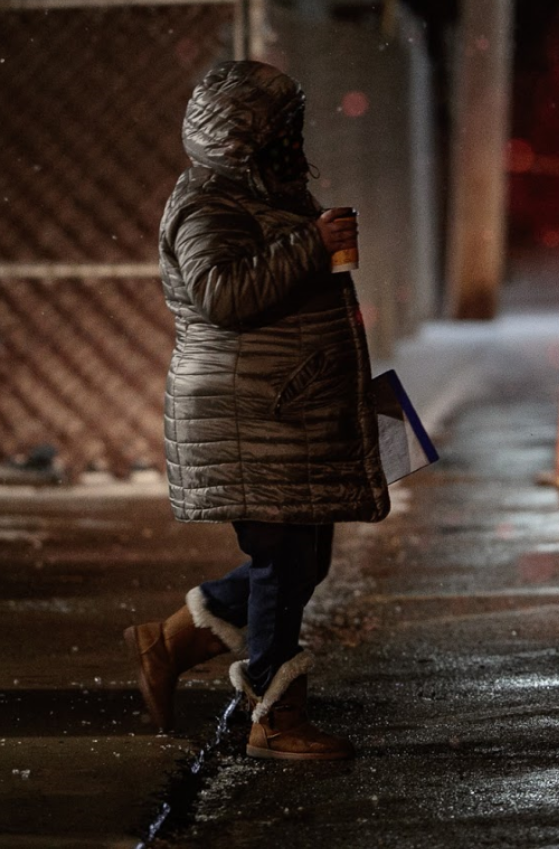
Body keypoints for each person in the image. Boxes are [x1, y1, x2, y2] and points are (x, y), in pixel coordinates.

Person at [124, 60, 389, 761]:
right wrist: (311, 245)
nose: (294, 140)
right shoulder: (206, 203)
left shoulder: (267, 191)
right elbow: (221, 294)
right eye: (282, 127)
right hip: (249, 409)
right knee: (279, 557)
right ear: (245, 135)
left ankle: (169, 641)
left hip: (287, 404)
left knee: (303, 558)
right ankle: (274, 716)